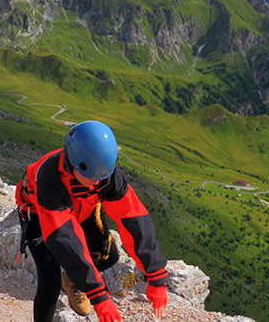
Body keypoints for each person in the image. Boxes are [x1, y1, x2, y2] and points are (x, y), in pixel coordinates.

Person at [15, 120, 168, 322]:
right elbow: (64, 238)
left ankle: (72, 281)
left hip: (83, 207)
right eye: (92, 177)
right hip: (38, 212)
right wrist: (99, 296)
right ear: (72, 163)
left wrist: (156, 277)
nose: (98, 183)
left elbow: (132, 218)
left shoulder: (106, 175)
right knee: (50, 281)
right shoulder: (48, 177)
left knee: (109, 257)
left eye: (102, 177)